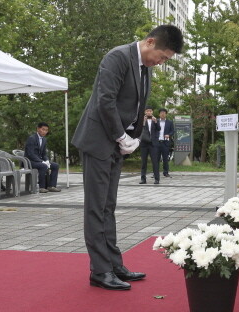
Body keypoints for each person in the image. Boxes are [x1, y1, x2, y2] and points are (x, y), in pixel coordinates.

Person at [72, 25, 184, 291]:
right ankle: (99, 271)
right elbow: (105, 101)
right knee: (96, 207)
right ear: (150, 42)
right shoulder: (118, 57)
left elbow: (136, 109)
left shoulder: (145, 69)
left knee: (108, 206)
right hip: (99, 140)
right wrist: (121, 136)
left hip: (116, 144)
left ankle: (113, 263)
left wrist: (132, 138)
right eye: (163, 57)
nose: (161, 62)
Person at [24, 122, 61, 193]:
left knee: (55, 165)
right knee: (43, 166)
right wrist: (41, 161)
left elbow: (44, 153)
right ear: (38, 129)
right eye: (43, 129)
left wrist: (46, 160)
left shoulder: (44, 139)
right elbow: (30, 154)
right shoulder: (32, 138)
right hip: (30, 161)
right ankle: (42, 187)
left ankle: (51, 186)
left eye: (46, 130)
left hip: (39, 160)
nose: (44, 132)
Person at [139, 107, 161, 185]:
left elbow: (159, 129)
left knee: (155, 162)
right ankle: (143, 179)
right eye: (147, 111)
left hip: (153, 144)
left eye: (150, 111)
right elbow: (139, 130)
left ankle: (157, 179)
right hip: (144, 144)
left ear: (152, 112)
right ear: (145, 112)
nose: (148, 112)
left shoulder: (156, 120)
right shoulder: (142, 120)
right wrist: (143, 122)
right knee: (143, 162)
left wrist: (155, 122)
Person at [157, 108, 174, 178]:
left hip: (165, 143)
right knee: (156, 158)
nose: (162, 114)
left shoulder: (170, 122)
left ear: (166, 114)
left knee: (165, 158)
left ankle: (165, 172)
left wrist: (169, 135)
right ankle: (155, 172)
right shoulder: (156, 121)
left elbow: (173, 131)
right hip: (157, 142)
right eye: (161, 112)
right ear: (159, 114)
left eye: (164, 112)